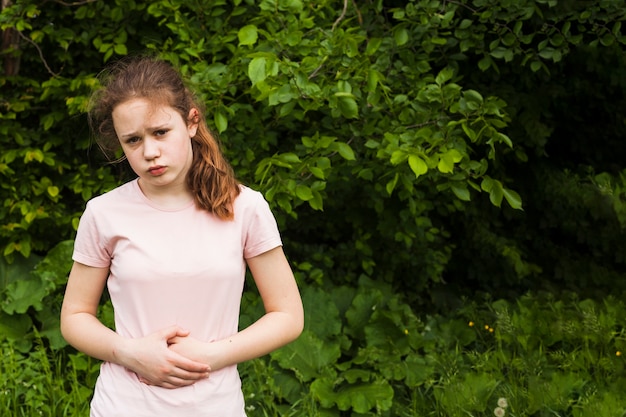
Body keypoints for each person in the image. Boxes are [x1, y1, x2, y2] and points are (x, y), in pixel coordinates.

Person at [60, 56, 304, 417]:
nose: (149, 152)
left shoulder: (245, 207)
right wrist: (130, 353)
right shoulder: (104, 213)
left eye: (160, 132)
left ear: (191, 122)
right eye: (132, 140)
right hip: (123, 406)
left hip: (215, 407)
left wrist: (213, 354)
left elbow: (287, 315)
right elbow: (75, 316)